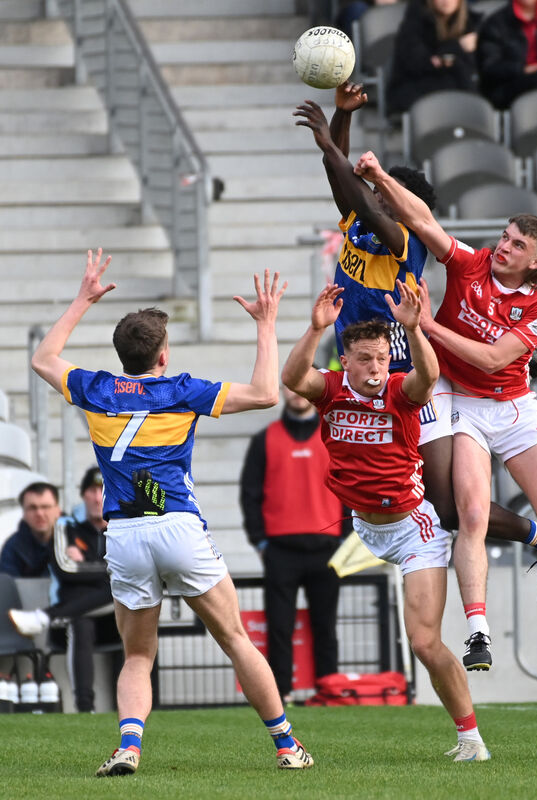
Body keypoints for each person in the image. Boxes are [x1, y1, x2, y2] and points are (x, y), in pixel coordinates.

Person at [294, 87, 537, 671]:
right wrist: (340, 120)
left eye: (383, 195)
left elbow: (361, 198)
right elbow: (344, 185)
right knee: (429, 503)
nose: (371, 197)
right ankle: (418, 536)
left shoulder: (403, 239)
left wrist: (330, 143)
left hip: (411, 380)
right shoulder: (360, 223)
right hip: (365, 376)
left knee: (449, 508)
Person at [29, 248, 313, 775]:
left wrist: (83, 299)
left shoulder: (96, 388)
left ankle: (129, 747)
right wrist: (266, 323)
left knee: (138, 655)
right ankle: (286, 746)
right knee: (235, 639)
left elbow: (43, 359)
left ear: (122, 355)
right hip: (178, 527)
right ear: (162, 356)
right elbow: (265, 393)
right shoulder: (182, 390)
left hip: (126, 535)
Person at [354, 149, 537, 672]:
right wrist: (378, 175)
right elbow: (424, 222)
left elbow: (494, 359)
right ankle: (478, 635)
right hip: (457, 399)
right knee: (467, 514)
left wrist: (427, 325)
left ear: (535, 263)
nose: (503, 246)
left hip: (512, 405)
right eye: (505, 236)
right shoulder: (472, 263)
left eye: (517, 245)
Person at [282, 280, 490, 761]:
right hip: (363, 525)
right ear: (346, 362)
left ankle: (471, 739)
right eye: (365, 359)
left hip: (413, 529)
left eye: (381, 358)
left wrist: (414, 331)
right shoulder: (331, 389)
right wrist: (315, 329)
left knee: (424, 643)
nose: (376, 367)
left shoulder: (400, 390)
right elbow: (293, 378)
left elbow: (428, 376)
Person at [240, 385, 346, 704]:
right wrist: (260, 542)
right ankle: (280, 695)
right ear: (282, 391)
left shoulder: (334, 436)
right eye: (290, 387)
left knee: (325, 626)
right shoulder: (264, 440)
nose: (296, 393)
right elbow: (250, 494)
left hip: (327, 548)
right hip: (280, 550)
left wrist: (345, 536)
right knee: (279, 627)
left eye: (302, 386)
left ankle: (328, 691)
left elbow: (351, 485)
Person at [9, 466, 120, 713]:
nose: (97, 497)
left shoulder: (125, 528)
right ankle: (85, 710)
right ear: (84, 495)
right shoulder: (66, 527)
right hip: (74, 620)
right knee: (85, 616)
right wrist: (109, 570)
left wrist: (87, 565)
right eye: (92, 490)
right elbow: (65, 569)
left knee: (122, 594)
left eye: (103, 490)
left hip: (116, 618)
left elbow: (132, 570)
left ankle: (44, 616)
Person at [387, 0, 482, 115]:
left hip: (455, 87)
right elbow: (420, 63)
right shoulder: (415, 23)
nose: (446, 1)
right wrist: (458, 47)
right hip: (414, 87)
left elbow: (474, 66)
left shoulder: (470, 24)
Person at [0, 482, 61, 577]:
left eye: (45, 507)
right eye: (32, 508)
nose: (39, 513)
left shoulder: (74, 542)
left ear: (58, 511)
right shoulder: (12, 547)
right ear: (24, 513)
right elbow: (8, 583)